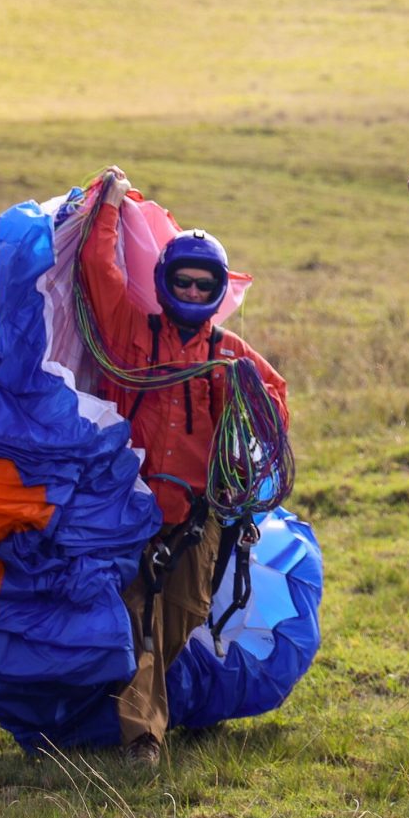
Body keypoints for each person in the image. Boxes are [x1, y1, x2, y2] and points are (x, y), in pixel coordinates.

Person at [81, 167, 289, 766]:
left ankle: (137, 723)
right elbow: (100, 274)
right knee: (125, 610)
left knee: (180, 611)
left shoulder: (231, 357)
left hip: (200, 514)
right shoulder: (132, 337)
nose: (194, 294)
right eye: (184, 282)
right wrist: (109, 207)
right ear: (166, 281)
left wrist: (245, 445)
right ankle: (141, 734)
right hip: (124, 506)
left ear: (219, 290)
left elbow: (274, 406)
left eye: (206, 286)